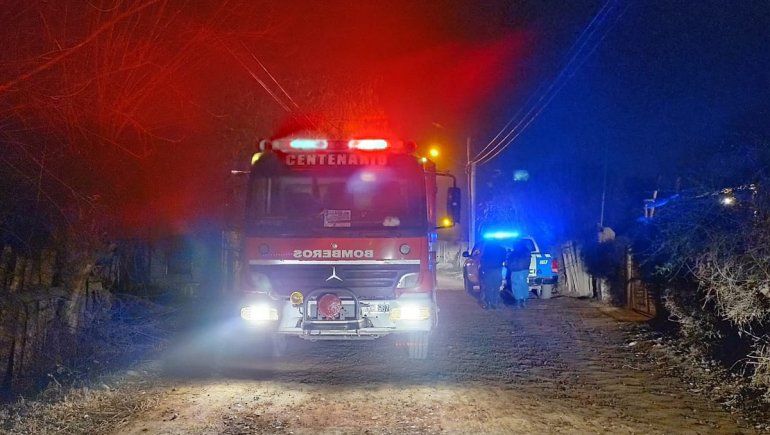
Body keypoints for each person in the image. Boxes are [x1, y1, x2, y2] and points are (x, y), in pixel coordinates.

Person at [479, 242, 507, 309]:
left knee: (489, 287)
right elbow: (504, 259)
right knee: (496, 287)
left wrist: (483, 269)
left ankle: (489, 303)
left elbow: (482, 259)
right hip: (497, 269)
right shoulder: (501, 249)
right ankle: (495, 303)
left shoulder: (487, 249)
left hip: (488, 270)